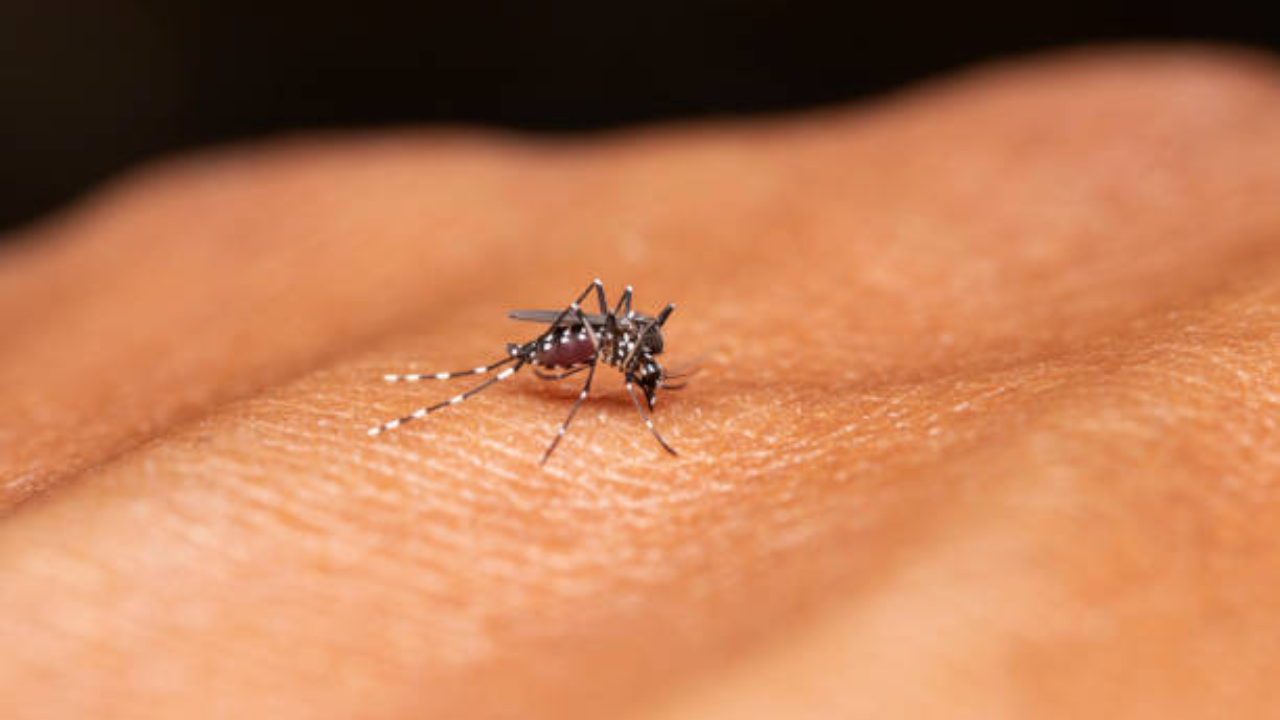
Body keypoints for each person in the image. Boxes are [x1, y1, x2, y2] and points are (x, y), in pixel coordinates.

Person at [2, 48, 1279, 718]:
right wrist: (559, 383)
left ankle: (475, 378)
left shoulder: (642, 348)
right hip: (550, 342)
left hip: (573, 336)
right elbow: (603, 336)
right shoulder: (604, 347)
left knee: (611, 319)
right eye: (642, 374)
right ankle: (464, 386)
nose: (644, 374)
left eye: (639, 374)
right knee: (572, 332)